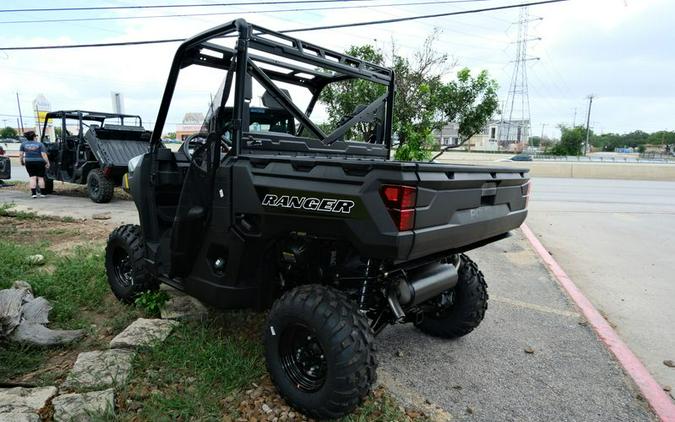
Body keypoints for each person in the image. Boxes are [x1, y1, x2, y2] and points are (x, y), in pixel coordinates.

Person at [19, 131, 50, 198]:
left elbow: (21, 154)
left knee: (32, 177)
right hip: (40, 162)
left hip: (29, 162)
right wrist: (47, 162)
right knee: (41, 178)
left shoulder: (23, 144)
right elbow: (43, 154)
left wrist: (21, 161)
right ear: (34, 137)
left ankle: (33, 194)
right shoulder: (40, 144)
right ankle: (43, 194)